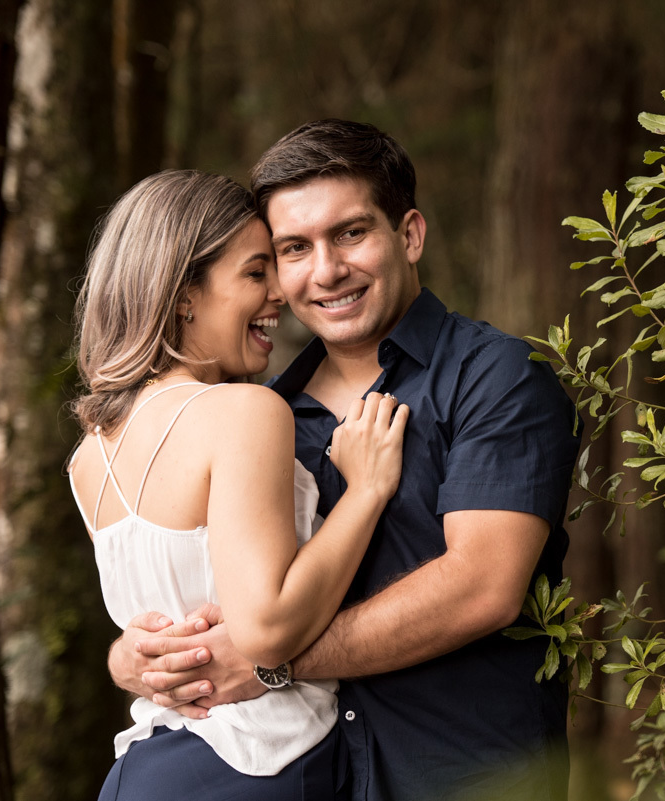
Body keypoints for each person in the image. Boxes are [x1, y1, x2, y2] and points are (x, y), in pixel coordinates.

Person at [106, 121, 583, 800]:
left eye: (351, 233)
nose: (326, 270)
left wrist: (276, 660)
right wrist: (136, 659)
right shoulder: (260, 418)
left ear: (409, 235)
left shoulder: (495, 377)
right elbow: (205, 594)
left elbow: (484, 585)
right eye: (293, 248)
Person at [69, 169, 409, 800]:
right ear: (182, 295)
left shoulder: (93, 451)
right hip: (255, 766)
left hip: (146, 768)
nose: (280, 291)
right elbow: (268, 630)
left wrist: (126, 660)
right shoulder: (244, 413)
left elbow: (150, 632)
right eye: (256, 273)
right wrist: (364, 493)